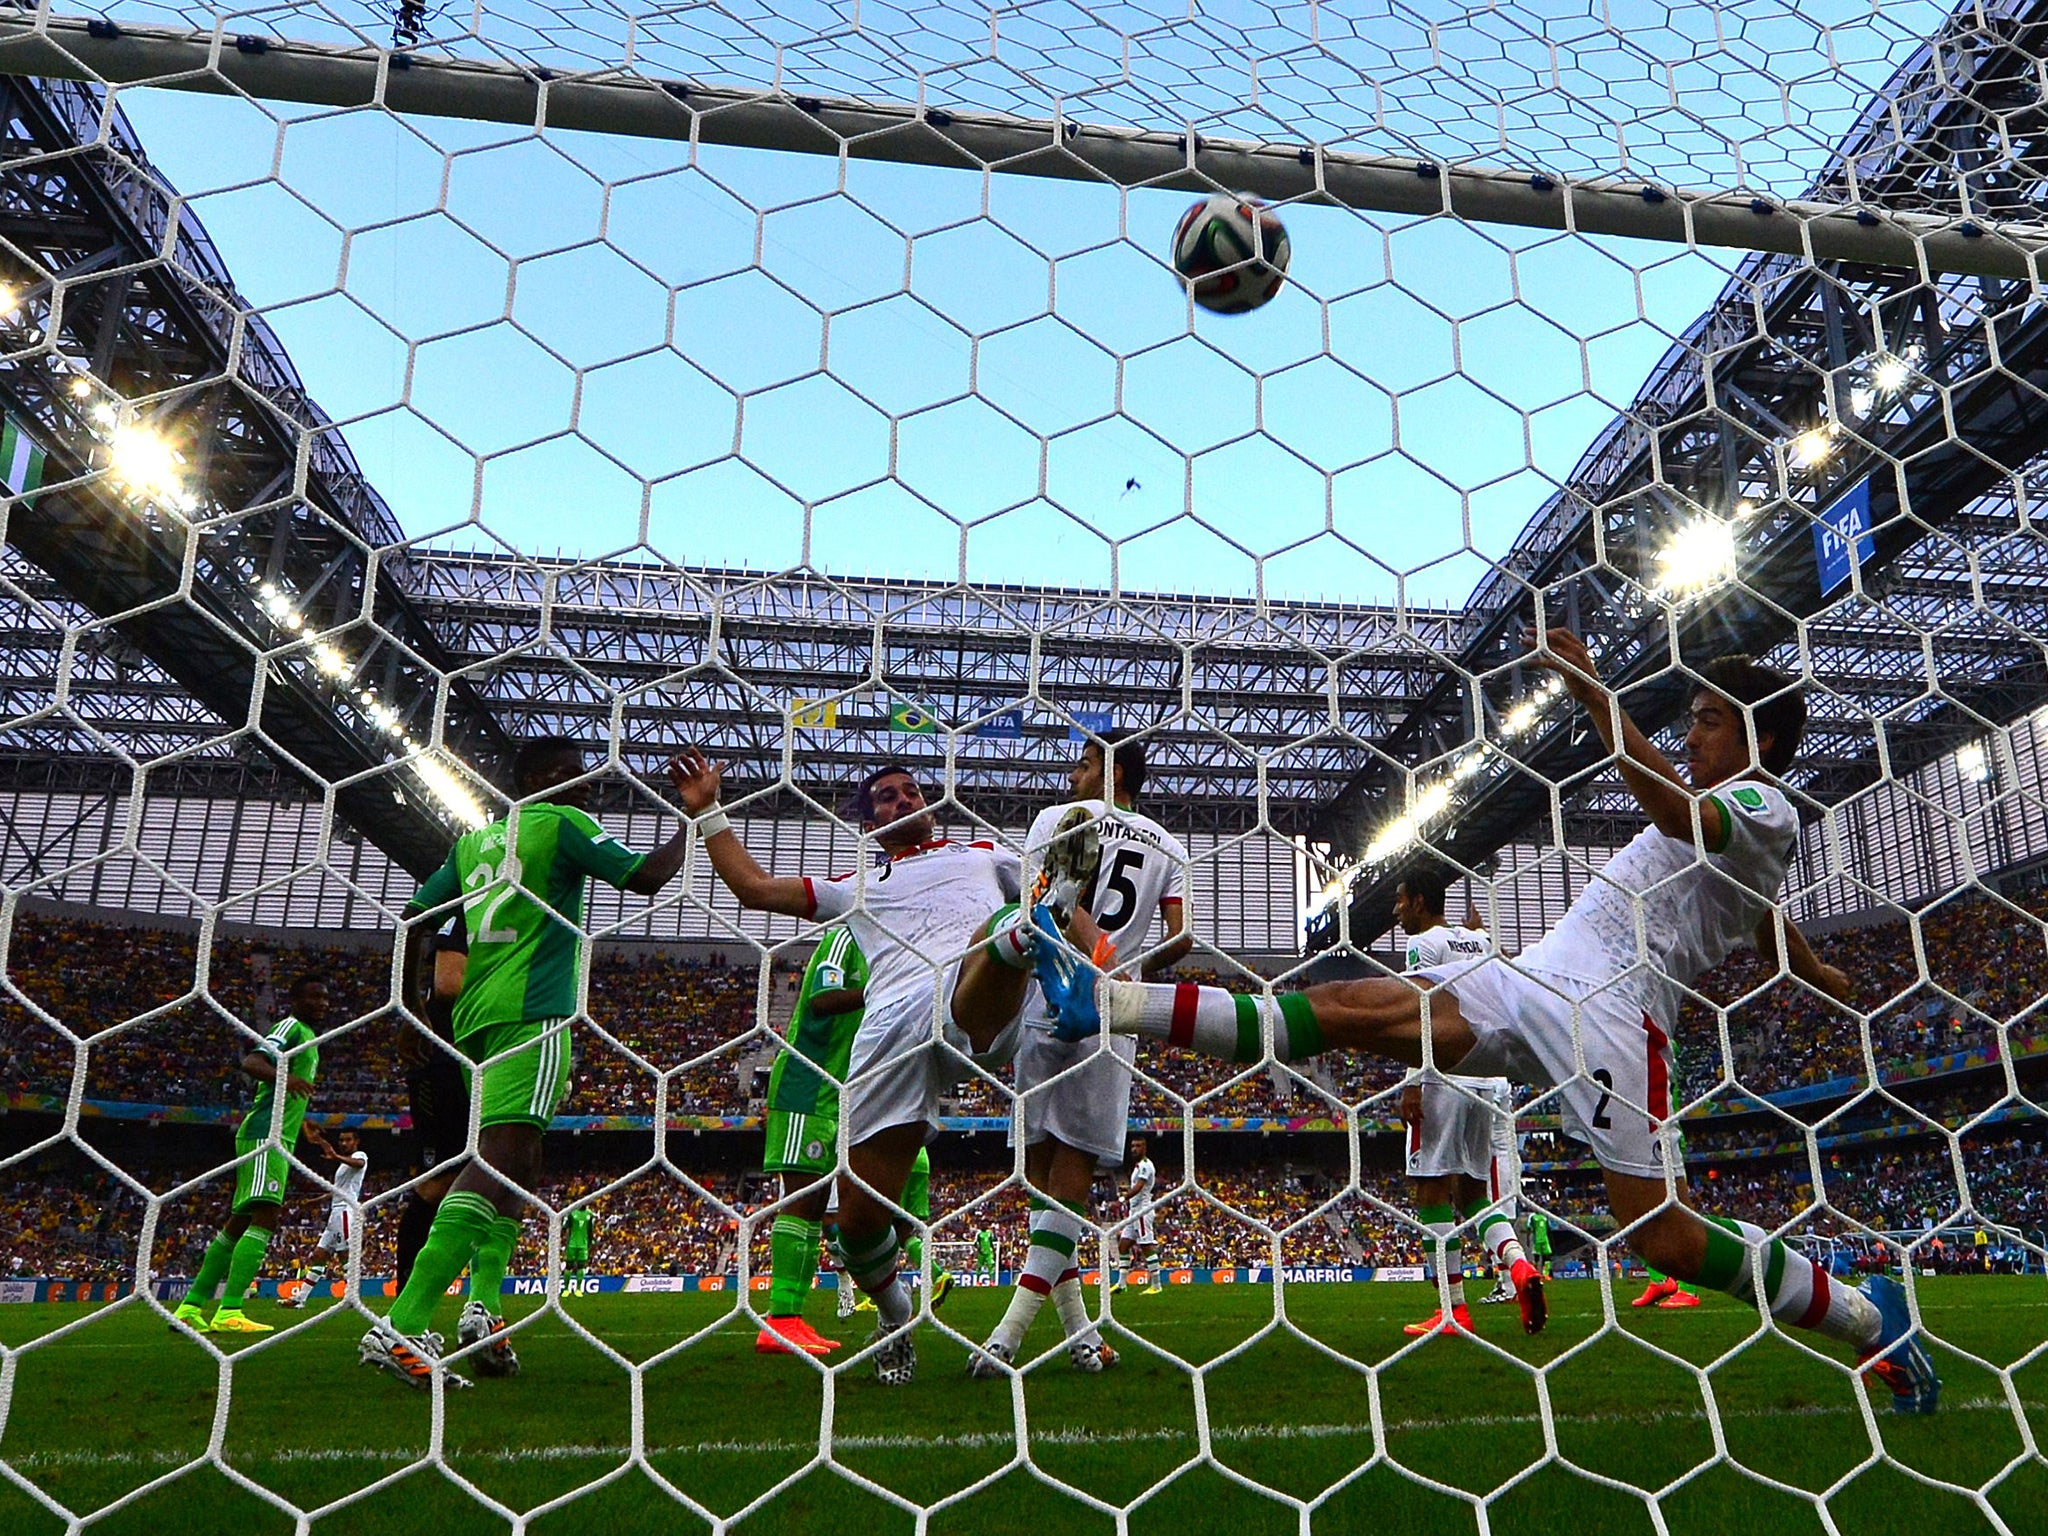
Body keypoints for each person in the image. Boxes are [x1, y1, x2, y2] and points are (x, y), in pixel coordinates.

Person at [1032, 634, 1941, 1415]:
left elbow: (1679, 813)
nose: (1692, 732)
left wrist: (1591, 690)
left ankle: (1870, 1319)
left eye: (1707, 718)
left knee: (1665, 1238)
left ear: (1762, 737)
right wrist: (1815, 964)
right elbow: (1758, 899)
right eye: (1693, 717)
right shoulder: (1746, 835)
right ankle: (1107, 1002)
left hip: (1618, 1019)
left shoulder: (1764, 805)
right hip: (1542, 979)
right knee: (1355, 1009)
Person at [675, 750, 1093, 1384]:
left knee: (1012, 923)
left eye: (911, 792)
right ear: (870, 824)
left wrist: (1102, 965)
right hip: (889, 1032)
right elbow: (754, 889)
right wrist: (707, 810)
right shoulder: (858, 886)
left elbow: (1089, 930)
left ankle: (1030, 933)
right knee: (861, 1222)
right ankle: (896, 1317)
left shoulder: (985, 854)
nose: (904, 801)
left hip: (971, 995)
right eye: (887, 799)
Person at [360, 736, 697, 1389]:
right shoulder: (561, 822)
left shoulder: (474, 844)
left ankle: (481, 1311)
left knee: (517, 1164)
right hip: (534, 1011)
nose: (585, 784)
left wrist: (409, 1005)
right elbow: (647, 878)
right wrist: (690, 817)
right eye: (570, 773)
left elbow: (413, 918)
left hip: (474, 1022)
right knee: (498, 1161)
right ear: (536, 781)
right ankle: (401, 1325)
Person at [975, 733, 1189, 1375]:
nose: (1073, 772)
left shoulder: (1053, 822)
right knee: (1059, 1180)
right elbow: (1182, 938)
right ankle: (1082, 1338)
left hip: (1043, 997)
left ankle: (1008, 1338)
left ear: (1114, 769)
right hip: (1110, 1009)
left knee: (1048, 1175)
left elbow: (1037, 906)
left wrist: (1087, 943)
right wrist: (1125, 967)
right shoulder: (1169, 847)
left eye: (1085, 761)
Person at [1391, 867, 1545, 1337]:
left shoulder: (1424, 944)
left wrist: (1413, 1081)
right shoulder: (1477, 941)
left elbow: (1419, 1009)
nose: (1395, 911)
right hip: (1489, 1078)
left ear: (1419, 901)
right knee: (1475, 1194)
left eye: (1400, 900)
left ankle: (1452, 1310)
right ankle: (1519, 1267)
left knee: (1431, 1192)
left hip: (1442, 1076)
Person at [171, 976, 335, 1334]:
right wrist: (285, 1079)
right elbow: (252, 1062)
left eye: (325, 997)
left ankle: (190, 1307)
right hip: (265, 1134)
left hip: (279, 1135)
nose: (322, 1002)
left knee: (240, 1221)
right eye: (314, 995)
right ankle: (230, 1310)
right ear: (296, 998)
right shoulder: (291, 1027)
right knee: (266, 1216)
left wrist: (302, 1120)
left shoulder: (309, 1036)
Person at [757, 925, 868, 1357]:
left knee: (815, 1208)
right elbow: (822, 998)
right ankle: (779, 1319)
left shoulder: (877, 943)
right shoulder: (845, 937)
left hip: (834, 1091)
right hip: (807, 1084)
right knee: (801, 1201)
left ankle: (791, 1318)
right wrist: (879, 988)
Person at [393, 925, 471, 1294]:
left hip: (471, 1060)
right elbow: (448, 985)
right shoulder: (465, 909)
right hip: (442, 1063)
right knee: (437, 1183)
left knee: (500, 1176)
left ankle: (481, 1302)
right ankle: (407, 1296)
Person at [280, 1127, 368, 1308]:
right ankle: (300, 1299)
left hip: (345, 1210)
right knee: (319, 1255)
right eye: (342, 1140)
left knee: (344, 1253)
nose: (344, 1143)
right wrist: (317, 1200)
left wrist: (335, 1156)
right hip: (335, 1212)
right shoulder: (343, 1166)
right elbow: (337, 1190)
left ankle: (351, 1296)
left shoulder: (360, 1155)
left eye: (348, 1140)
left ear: (356, 1141)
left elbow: (359, 1163)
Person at [1113, 1138, 1163, 1295]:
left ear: (1145, 1148)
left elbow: (1139, 1187)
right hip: (1134, 1213)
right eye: (1133, 1146)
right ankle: (1121, 1284)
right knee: (1123, 1245)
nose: (1134, 1149)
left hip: (1142, 1211)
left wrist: (1121, 1200)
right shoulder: (1137, 1167)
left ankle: (1156, 1285)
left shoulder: (1146, 1166)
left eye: (1138, 1146)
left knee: (1146, 1246)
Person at [564, 1206, 594, 1282]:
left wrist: (590, 1242)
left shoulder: (590, 1214)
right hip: (572, 1244)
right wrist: (566, 1242)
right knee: (569, 1266)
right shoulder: (572, 1213)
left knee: (581, 1266)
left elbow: (590, 1230)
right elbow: (566, 1228)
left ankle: (578, 1289)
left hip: (583, 1244)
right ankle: (566, 1289)